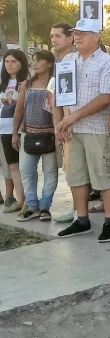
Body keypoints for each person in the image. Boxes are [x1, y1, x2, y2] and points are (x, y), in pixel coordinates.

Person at [53, 19, 110, 241]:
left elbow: (105, 97)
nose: (78, 37)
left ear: (97, 36)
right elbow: (62, 95)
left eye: (83, 33)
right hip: (72, 129)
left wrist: (73, 116)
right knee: (76, 175)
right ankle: (81, 220)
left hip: (98, 128)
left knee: (104, 175)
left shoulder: (107, 62)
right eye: (75, 33)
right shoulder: (67, 60)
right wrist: (63, 122)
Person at [12, 50, 57, 222]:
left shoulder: (56, 85)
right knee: (26, 171)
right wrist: (15, 134)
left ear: (49, 63)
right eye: (33, 60)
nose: (35, 63)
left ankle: (45, 206)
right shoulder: (27, 85)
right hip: (28, 134)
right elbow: (19, 110)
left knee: (50, 172)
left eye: (39, 60)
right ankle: (31, 205)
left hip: (50, 135)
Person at [49, 23, 76, 224]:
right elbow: (55, 98)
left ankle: (79, 211)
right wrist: (58, 125)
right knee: (71, 170)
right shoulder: (59, 63)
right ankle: (76, 209)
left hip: (80, 122)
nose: (54, 39)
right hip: (66, 124)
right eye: (52, 36)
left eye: (58, 35)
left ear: (70, 38)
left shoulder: (76, 60)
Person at [1, 49, 29, 214]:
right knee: (13, 166)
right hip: (4, 129)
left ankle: (30, 201)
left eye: (13, 61)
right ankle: (20, 200)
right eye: (7, 62)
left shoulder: (26, 82)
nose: (9, 65)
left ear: (21, 63)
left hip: (21, 129)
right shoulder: (2, 83)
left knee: (25, 167)